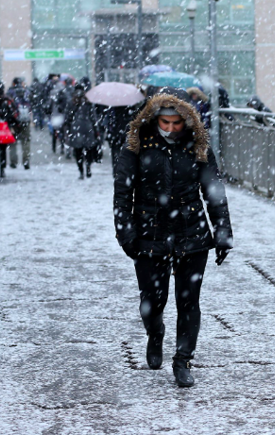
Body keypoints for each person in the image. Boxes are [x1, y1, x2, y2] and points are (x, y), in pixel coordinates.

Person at [113, 92, 233, 388]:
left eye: (176, 122)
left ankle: (183, 360)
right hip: (148, 235)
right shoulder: (136, 146)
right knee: (152, 302)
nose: (170, 128)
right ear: (154, 120)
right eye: (164, 122)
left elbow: (213, 190)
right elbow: (122, 195)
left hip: (191, 233)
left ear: (186, 120)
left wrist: (222, 232)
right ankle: (155, 333)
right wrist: (126, 234)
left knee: (189, 301)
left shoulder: (197, 145)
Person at [64, 83, 101, 179]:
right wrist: (96, 131)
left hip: (76, 129)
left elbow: (67, 118)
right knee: (88, 150)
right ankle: (88, 167)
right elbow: (93, 118)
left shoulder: (71, 102)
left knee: (78, 152)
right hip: (88, 128)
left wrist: (68, 130)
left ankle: (81, 171)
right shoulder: (88, 101)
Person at [6, 77, 32, 169]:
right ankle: (26, 161)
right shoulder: (26, 92)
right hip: (25, 120)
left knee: (12, 142)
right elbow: (31, 104)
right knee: (26, 141)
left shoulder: (10, 93)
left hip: (13, 121)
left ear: (13, 84)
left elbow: (7, 108)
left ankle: (13, 161)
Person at [103, 105, 135, 173]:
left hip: (115, 135)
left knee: (116, 154)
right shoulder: (129, 108)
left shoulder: (112, 109)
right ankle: (122, 170)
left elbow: (107, 122)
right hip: (123, 135)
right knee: (124, 154)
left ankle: (117, 171)